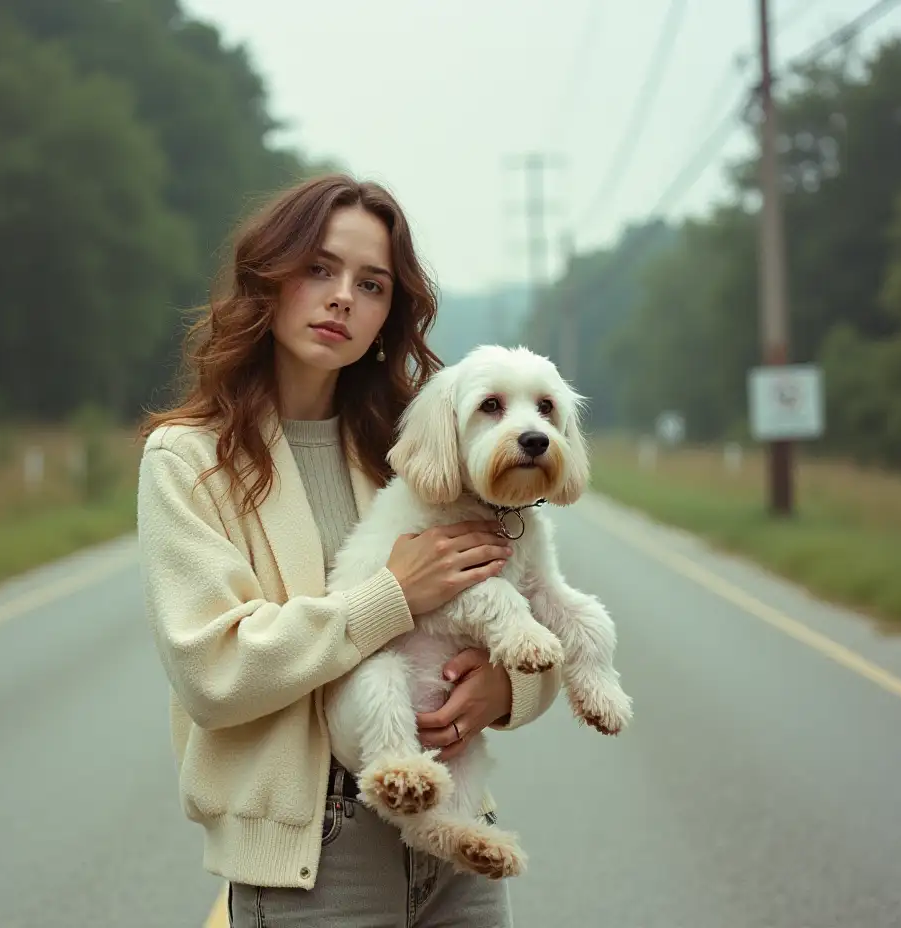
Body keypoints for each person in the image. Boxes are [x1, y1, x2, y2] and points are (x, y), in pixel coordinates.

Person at [136, 173, 563, 926]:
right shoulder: (187, 460)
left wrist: (507, 692)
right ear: (268, 277)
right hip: (316, 859)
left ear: (387, 316)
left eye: (372, 285)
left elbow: (529, 603)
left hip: (458, 834)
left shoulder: (415, 450)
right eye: (319, 269)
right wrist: (389, 597)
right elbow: (213, 671)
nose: (342, 298)